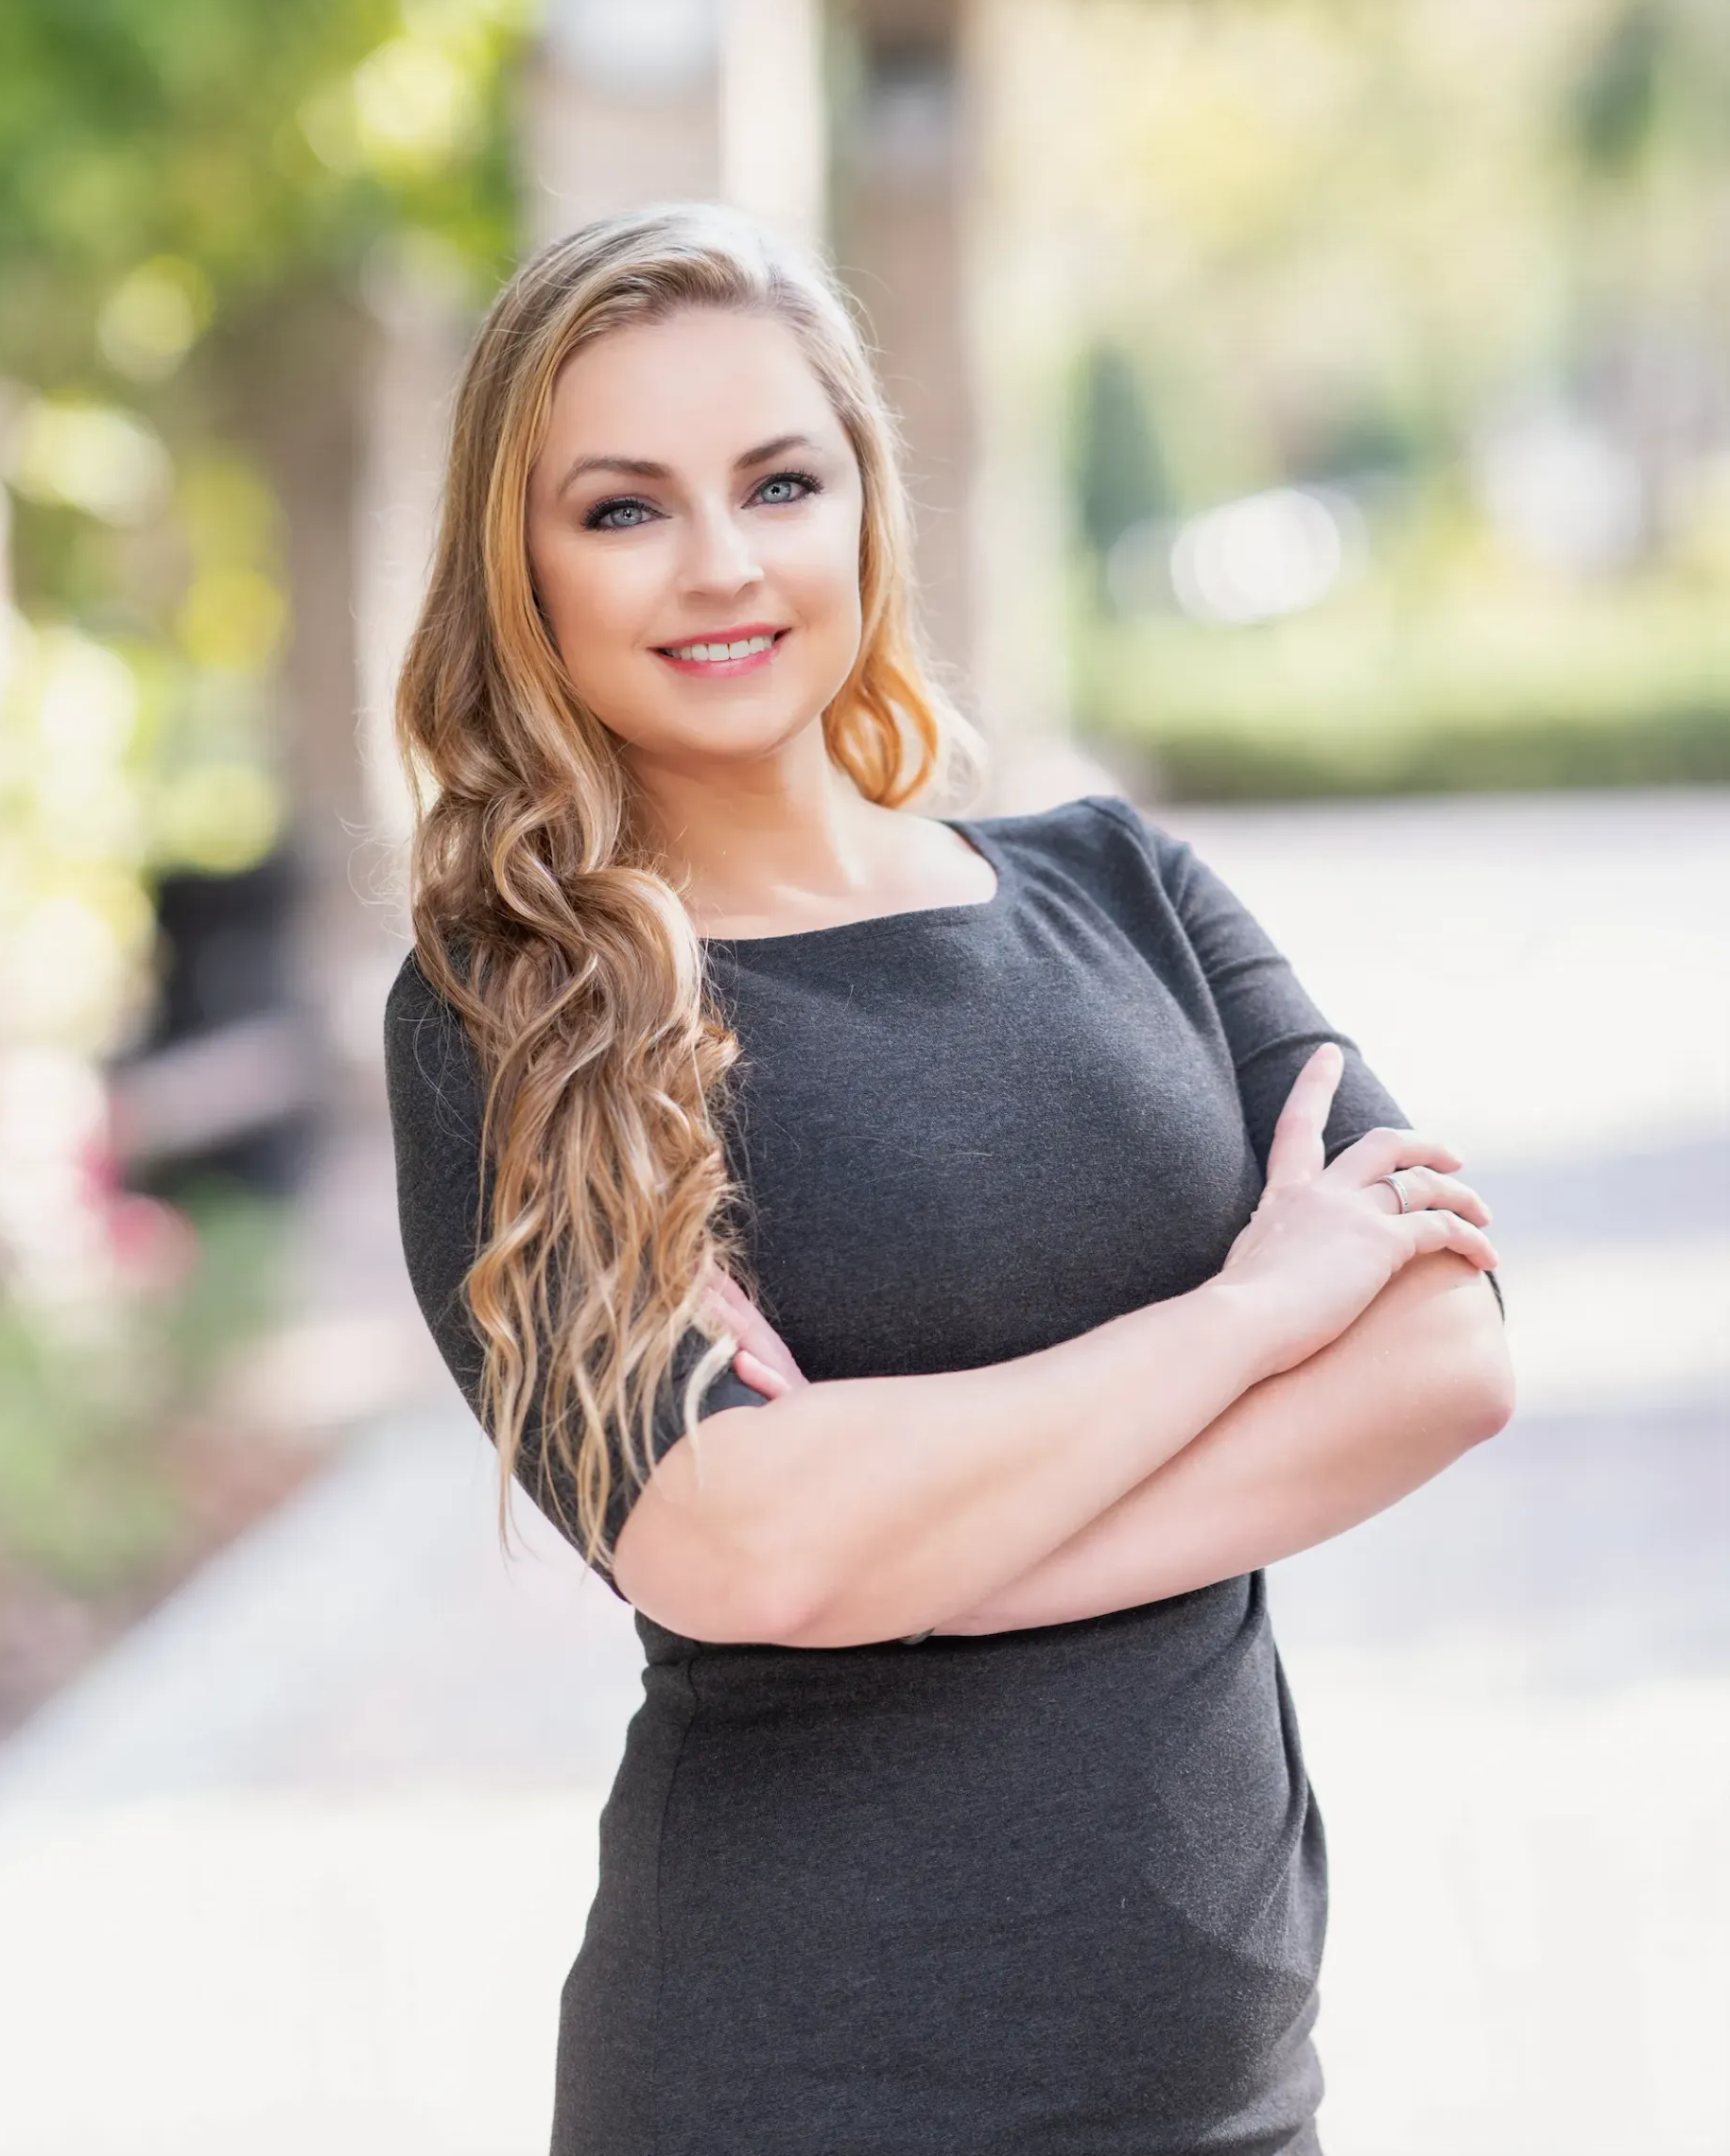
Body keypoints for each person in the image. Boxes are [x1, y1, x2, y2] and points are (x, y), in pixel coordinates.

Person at [382, 200, 1513, 2156]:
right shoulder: (515, 1014)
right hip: (791, 2084)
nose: (723, 564)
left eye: (779, 482)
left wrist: (910, 1551)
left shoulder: (1124, 889)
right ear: (525, 569)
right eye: (624, 509)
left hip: (1228, 2087)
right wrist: (1248, 1318)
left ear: (864, 510)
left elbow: (1444, 1358)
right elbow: (742, 1551)